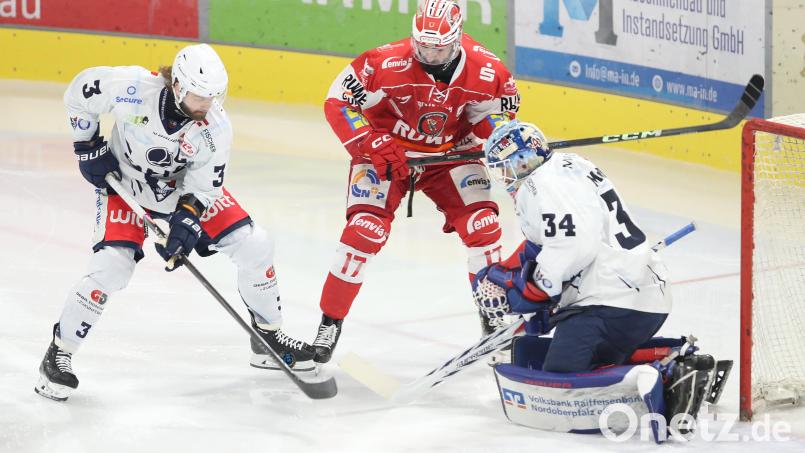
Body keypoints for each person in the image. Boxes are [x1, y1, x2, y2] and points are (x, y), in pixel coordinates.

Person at [35, 44, 315, 402]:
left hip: (180, 191)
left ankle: (267, 337)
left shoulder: (216, 127)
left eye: (213, 97)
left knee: (255, 245)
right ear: (178, 86)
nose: (207, 105)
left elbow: (204, 189)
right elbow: (78, 92)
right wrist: (86, 145)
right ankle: (58, 355)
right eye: (200, 96)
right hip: (126, 186)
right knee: (110, 269)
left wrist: (185, 226)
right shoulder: (132, 88)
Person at [473, 120, 720, 440]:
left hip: (610, 300)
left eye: (506, 168)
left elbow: (573, 245)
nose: (506, 178)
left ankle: (665, 376)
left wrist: (534, 290)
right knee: (585, 358)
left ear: (525, 160)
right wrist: (511, 273)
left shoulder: (541, 185)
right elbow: (551, 241)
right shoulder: (571, 164)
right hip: (641, 295)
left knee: (560, 379)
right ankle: (674, 357)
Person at [311, 0, 521, 363]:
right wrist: (369, 141)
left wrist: (499, 139)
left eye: (438, 48)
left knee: (484, 227)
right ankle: (329, 323)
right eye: (422, 46)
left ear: (457, 39)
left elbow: (494, 118)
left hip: (450, 155)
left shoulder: (488, 70)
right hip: (387, 155)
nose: (429, 54)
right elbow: (338, 102)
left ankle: (492, 318)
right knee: (363, 233)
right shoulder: (382, 62)